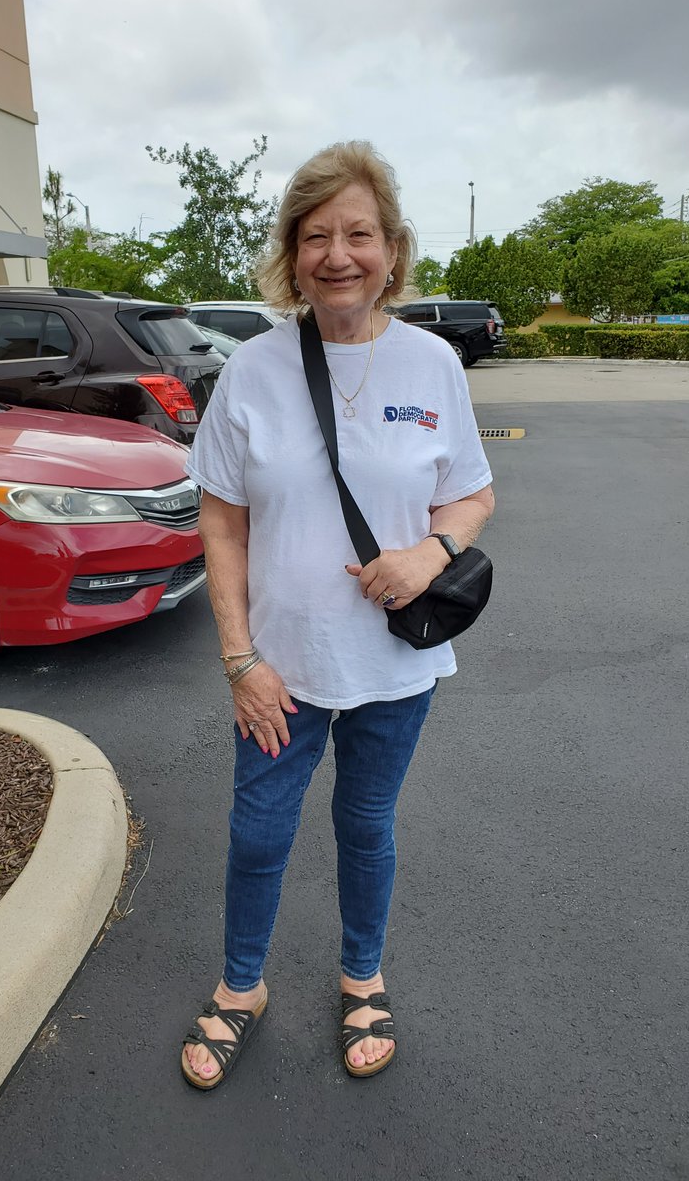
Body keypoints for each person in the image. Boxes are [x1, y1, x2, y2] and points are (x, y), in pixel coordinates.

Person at [181, 140, 495, 1089]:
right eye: (315, 235)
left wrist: (427, 552)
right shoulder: (254, 372)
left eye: (358, 233)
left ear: (392, 250)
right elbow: (222, 523)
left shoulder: (434, 364)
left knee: (367, 825)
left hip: (396, 666)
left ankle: (363, 976)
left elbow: (472, 495)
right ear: (292, 253)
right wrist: (240, 658)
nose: (338, 254)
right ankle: (243, 988)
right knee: (259, 831)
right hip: (281, 668)